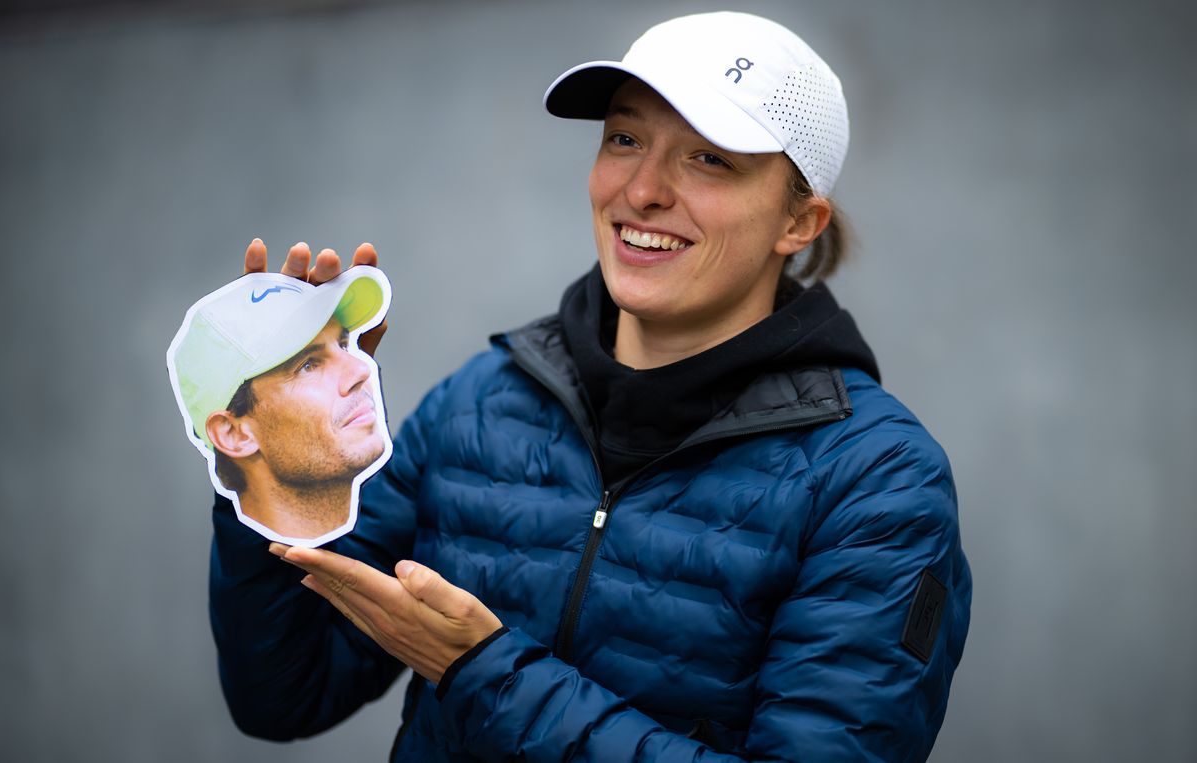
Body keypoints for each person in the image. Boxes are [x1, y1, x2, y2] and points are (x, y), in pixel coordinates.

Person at [209, 11, 971, 761]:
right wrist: (274, 453)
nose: (642, 190)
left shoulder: (878, 480)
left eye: (709, 158)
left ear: (798, 222)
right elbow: (286, 694)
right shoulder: (478, 404)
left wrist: (486, 674)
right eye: (625, 139)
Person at [169, 264, 391, 545]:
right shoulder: (250, 573)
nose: (361, 369)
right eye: (308, 365)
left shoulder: (406, 516)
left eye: (344, 345)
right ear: (233, 433)